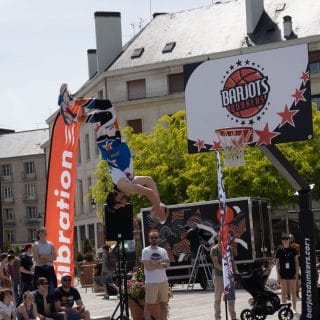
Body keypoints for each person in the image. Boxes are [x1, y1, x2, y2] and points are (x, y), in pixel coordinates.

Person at [58, 84, 167, 222]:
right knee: (106, 108)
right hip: (113, 142)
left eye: (120, 205)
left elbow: (148, 192)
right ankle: (71, 113)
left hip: (110, 144)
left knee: (108, 114)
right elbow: (150, 181)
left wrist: (157, 207)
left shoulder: (124, 186)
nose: (125, 204)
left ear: (116, 199)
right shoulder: (128, 181)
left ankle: (72, 113)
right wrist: (158, 202)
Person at [141, 229, 170, 320]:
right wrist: (161, 264)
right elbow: (148, 268)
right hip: (151, 283)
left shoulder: (163, 251)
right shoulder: (146, 251)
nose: (154, 239)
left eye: (155, 237)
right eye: (152, 237)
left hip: (163, 282)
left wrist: (153, 263)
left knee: (164, 307)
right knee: (148, 307)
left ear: (158, 239)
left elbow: (168, 265)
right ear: (149, 239)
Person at [210, 231, 238, 320]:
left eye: (223, 236)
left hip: (229, 276)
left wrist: (236, 270)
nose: (222, 238)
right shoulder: (214, 249)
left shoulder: (229, 248)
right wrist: (225, 271)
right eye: (220, 236)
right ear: (217, 238)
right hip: (219, 276)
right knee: (218, 298)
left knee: (231, 298)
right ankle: (217, 317)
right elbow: (216, 264)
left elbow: (232, 261)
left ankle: (233, 317)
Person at [276, 233, 299, 314]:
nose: (285, 241)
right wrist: (278, 275)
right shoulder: (279, 250)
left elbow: (296, 262)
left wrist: (297, 273)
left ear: (289, 240)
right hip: (283, 273)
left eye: (287, 239)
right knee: (284, 291)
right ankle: (285, 308)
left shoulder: (293, 250)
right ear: (282, 241)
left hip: (292, 272)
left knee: (293, 291)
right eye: (284, 239)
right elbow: (277, 264)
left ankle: (294, 308)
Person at [32, 227, 57, 294]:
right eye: (41, 231)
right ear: (38, 234)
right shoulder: (35, 245)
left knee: (52, 288)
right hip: (40, 269)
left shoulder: (51, 244)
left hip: (50, 269)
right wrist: (49, 258)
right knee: (39, 290)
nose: (43, 232)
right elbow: (37, 260)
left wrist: (42, 256)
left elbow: (54, 258)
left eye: (44, 231)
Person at [288, 233, 300, 299]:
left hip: (294, 265)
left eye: (291, 238)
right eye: (289, 238)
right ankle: (289, 295)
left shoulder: (297, 246)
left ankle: (297, 294)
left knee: (296, 280)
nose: (290, 239)